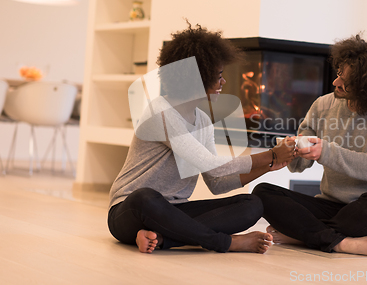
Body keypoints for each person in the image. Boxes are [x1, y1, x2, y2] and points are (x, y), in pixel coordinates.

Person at [108, 23, 295, 254]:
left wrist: (270, 164)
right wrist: (269, 154)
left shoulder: (203, 120)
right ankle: (226, 243)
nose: (223, 82)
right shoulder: (160, 111)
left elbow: (216, 183)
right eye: (217, 76)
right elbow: (209, 164)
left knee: (251, 204)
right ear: (195, 79)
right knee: (145, 197)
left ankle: (166, 239)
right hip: (130, 211)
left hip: (174, 214)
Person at [252, 34, 367, 257]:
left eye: (346, 81)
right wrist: (293, 150)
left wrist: (325, 151)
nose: (336, 82)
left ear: (366, 87)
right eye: (338, 74)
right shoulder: (323, 104)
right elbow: (298, 166)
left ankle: (302, 235)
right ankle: (339, 242)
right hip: (331, 207)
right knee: (262, 193)